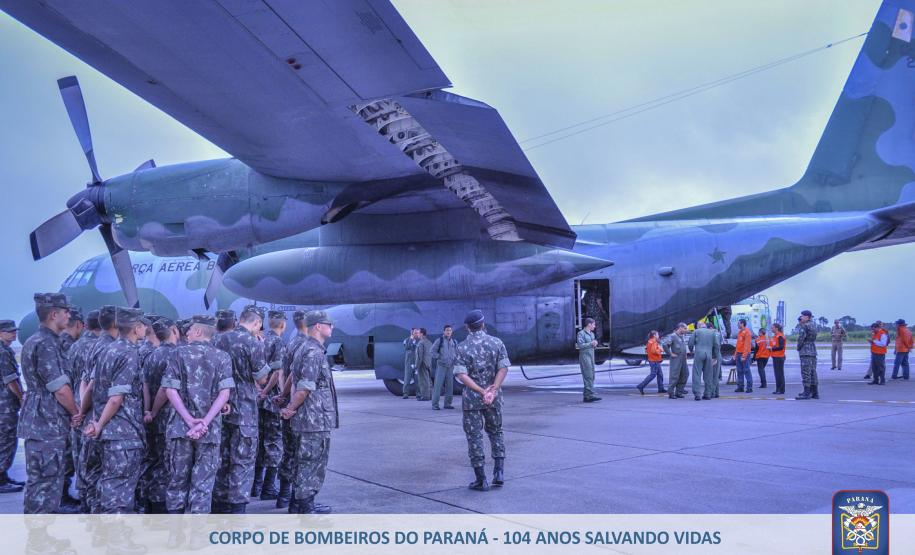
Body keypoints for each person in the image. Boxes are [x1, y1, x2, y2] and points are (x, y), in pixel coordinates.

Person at [161, 315, 234, 514]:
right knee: (203, 483)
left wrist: (189, 420)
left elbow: (170, 390)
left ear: (199, 331)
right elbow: (224, 393)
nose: (187, 333)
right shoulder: (222, 357)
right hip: (209, 431)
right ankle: (196, 537)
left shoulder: (177, 354)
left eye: (190, 329)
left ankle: (175, 535)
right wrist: (205, 422)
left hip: (180, 428)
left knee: (177, 480)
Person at [83, 306, 147, 526]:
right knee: (120, 489)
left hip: (108, 429)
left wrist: (91, 419)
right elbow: (116, 397)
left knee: (108, 483)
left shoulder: (107, 349)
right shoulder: (128, 353)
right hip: (122, 430)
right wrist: (99, 424)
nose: (145, 329)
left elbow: (91, 388)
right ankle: (117, 540)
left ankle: (104, 534)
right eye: (143, 325)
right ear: (136, 328)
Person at [19, 293, 82, 514]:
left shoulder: (35, 340)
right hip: (47, 422)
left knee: (41, 481)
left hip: (41, 420)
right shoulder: (46, 343)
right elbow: (60, 389)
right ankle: (39, 541)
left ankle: (41, 537)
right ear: (54, 314)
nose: (69, 315)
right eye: (66, 311)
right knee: (46, 481)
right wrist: (76, 412)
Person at [212, 305, 270, 513]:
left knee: (221, 456)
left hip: (218, 406)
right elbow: (262, 378)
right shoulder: (252, 342)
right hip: (244, 407)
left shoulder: (218, 339)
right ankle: (236, 508)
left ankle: (219, 503)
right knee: (242, 459)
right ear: (256, 323)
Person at [280, 310, 338, 514]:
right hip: (313, 418)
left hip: (308, 418)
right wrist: (290, 407)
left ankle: (298, 504)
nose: (332, 328)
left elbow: (292, 379)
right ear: (318, 327)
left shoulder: (304, 347)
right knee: (312, 462)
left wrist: (286, 401)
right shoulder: (313, 352)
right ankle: (306, 507)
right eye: (328, 324)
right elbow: (304, 387)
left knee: (302, 460)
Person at [453, 310, 509, 492]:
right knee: (496, 432)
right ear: (483, 325)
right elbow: (503, 368)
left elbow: (461, 375)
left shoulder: (461, 347)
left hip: (472, 401)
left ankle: (481, 480)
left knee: (474, 436)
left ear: (467, 327)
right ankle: (499, 473)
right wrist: (493, 388)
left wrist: (479, 390)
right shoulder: (497, 343)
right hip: (494, 398)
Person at [78, 305, 117, 515]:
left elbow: (84, 382)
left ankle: (93, 513)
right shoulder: (108, 347)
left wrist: (82, 410)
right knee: (103, 472)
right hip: (101, 416)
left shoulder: (95, 344)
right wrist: (84, 412)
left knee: (93, 469)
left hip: (92, 414)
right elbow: (92, 385)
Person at [138, 317, 179, 514]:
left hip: (151, 419)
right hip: (168, 417)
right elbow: (165, 389)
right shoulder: (176, 355)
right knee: (166, 463)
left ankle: (148, 503)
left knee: (151, 459)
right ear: (174, 331)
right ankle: (160, 507)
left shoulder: (151, 355)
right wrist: (154, 410)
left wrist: (147, 411)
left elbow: (145, 386)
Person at [63, 310, 100, 509]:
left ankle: (84, 501)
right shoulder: (97, 347)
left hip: (75, 403)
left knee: (79, 456)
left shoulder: (75, 346)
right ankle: (92, 504)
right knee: (92, 460)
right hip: (89, 406)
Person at [274, 310, 308, 510]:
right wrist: (292, 404)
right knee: (300, 455)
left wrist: (282, 395)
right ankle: (296, 501)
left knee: (288, 452)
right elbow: (296, 378)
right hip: (297, 407)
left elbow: (281, 373)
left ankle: (284, 496)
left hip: (286, 401)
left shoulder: (291, 343)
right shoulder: (305, 344)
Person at [253, 310, 286, 500]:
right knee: (274, 443)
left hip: (259, 400)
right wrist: (267, 392)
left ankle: (256, 486)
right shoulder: (278, 342)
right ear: (282, 324)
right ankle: (268, 488)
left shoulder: (260, 340)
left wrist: (258, 390)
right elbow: (277, 372)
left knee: (261, 442)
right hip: (271, 400)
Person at [0, 320, 23, 494]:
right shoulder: (3, 352)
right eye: (9, 332)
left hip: (4, 404)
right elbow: (11, 380)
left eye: (14, 331)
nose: (13, 334)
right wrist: (22, 398)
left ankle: (4, 475)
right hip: (5, 405)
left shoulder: (5, 350)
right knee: (6, 440)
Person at [688, 321, 720, 401]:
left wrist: (691, 350)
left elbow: (691, 343)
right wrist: (715, 357)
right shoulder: (712, 332)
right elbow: (716, 345)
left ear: (699, 326)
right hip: (709, 355)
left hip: (699, 354)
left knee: (697, 374)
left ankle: (697, 394)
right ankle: (707, 394)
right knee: (708, 375)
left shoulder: (696, 331)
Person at [430, 324, 458, 409]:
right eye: (447, 330)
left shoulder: (454, 341)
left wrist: (455, 361)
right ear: (444, 331)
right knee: (438, 386)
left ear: (451, 332)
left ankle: (447, 404)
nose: (448, 332)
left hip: (450, 366)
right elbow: (432, 351)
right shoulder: (440, 340)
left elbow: (456, 353)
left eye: (450, 330)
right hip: (441, 366)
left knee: (450, 386)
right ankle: (435, 405)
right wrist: (440, 357)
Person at [575, 318, 601, 402]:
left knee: (592, 376)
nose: (594, 326)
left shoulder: (592, 334)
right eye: (593, 324)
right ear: (589, 324)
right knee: (588, 376)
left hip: (591, 356)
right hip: (585, 357)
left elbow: (592, 345)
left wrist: (595, 344)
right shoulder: (581, 333)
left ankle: (587, 396)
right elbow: (580, 345)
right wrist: (591, 343)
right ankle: (590, 395)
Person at [796, 310, 819, 399]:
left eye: (802, 316)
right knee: (813, 372)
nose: (801, 317)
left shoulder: (805, 326)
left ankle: (807, 392)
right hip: (813, 350)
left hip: (805, 350)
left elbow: (801, 338)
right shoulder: (814, 325)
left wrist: (798, 348)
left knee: (805, 372)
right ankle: (815, 393)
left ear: (807, 317)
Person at [661, 323, 689, 399]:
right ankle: (671, 393)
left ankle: (679, 392)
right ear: (680, 328)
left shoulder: (682, 336)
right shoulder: (673, 336)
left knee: (685, 374)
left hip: (683, 358)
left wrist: (685, 353)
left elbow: (683, 346)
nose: (686, 330)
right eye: (685, 328)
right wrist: (670, 353)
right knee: (674, 375)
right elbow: (664, 345)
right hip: (676, 358)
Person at [637, 330, 666, 395]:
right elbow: (654, 351)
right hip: (654, 361)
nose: (658, 336)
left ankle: (661, 389)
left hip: (654, 360)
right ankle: (641, 386)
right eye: (657, 335)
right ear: (654, 335)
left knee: (660, 375)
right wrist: (661, 350)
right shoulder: (653, 342)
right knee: (653, 375)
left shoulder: (650, 341)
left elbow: (647, 349)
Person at [734, 319, 753, 393]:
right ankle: (740, 387)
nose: (737, 325)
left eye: (738, 323)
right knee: (739, 371)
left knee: (746, 370)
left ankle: (749, 387)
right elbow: (738, 345)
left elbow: (747, 345)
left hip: (744, 354)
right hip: (739, 353)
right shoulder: (740, 332)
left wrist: (744, 356)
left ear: (742, 324)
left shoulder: (747, 332)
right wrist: (735, 354)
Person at [414, 328, 433, 402]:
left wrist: (416, 366)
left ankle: (425, 396)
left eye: (418, 333)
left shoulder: (421, 343)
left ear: (422, 334)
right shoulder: (429, 342)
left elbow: (419, 356)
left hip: (422, 364)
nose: (417, 334)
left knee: (423, 381)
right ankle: (430, 395)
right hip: (428, 363)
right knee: (429, 380)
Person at [769, 323, 787, 395]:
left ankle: (781, 390)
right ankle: (778, 389)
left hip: (779, 357)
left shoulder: (780, 336)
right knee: (777, 374)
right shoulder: (775, 336)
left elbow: (781, 347)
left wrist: (772, 348)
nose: (771, 329)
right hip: (775, 356)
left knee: (780, 374)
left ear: (776, 328)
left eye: (772, 328)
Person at [402, 328, 419, 398]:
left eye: (417, 333)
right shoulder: (406, 340)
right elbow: (407, 347)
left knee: (417, 380)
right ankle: (405, 394)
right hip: (409, 363)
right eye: (415, 332)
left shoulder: (419, 340)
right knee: (407, 379)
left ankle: (419, 394)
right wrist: (411, 339)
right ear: (411, 333)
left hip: (417, 363)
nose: (416, 334)